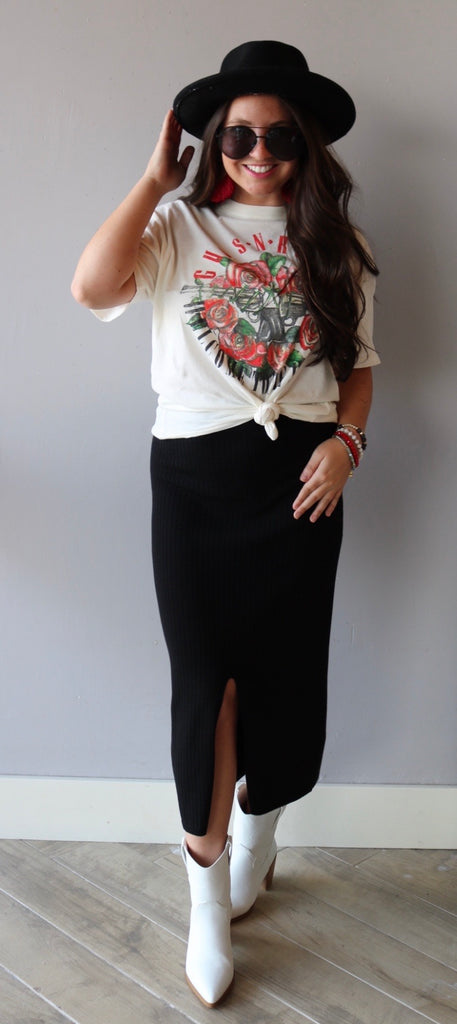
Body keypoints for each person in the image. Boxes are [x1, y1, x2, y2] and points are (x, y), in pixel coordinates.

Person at [72, 39, 379, 1008]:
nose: (257, 153)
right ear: (213, 140)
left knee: (284, 683)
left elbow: (360, 365)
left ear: (305, 145)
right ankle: (205, 904)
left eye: (278, 136)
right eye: (238, 135)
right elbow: (92, 288)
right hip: (195, 488)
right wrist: (152, 180)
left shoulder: (336, 243)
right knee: (207, 690)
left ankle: (259, 840)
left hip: (302, 484)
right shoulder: (175, 225)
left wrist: (349, 445)